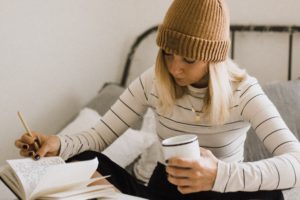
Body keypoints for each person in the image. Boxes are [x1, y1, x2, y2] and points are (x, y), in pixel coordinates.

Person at [15, 0, 300, 199]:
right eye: (167, 53)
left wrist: (219, 175)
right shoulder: (154, 80)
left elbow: (296, 164)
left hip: (221, 194)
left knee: (270, 193)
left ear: (214, 60)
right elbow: (98, 136)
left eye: (188, 58)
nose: (175, 67)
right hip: (162, 193)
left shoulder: (244, 92)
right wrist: (58, 144)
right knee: (83, 159)